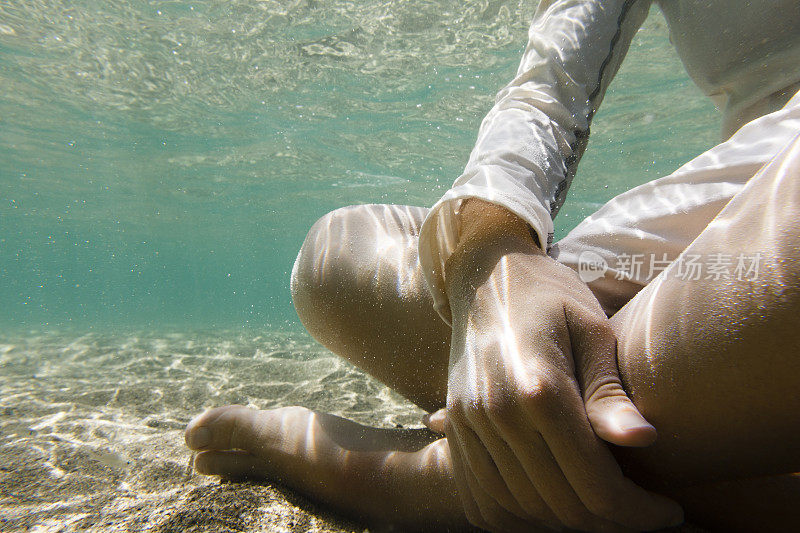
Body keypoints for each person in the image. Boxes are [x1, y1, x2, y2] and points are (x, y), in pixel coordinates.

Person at [185, 1, 800, 530]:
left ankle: (430, 480)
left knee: (553, 366)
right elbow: (549, 86)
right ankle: (713, 475)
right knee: (334, 258)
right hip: (738, 222)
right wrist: (492, 251)